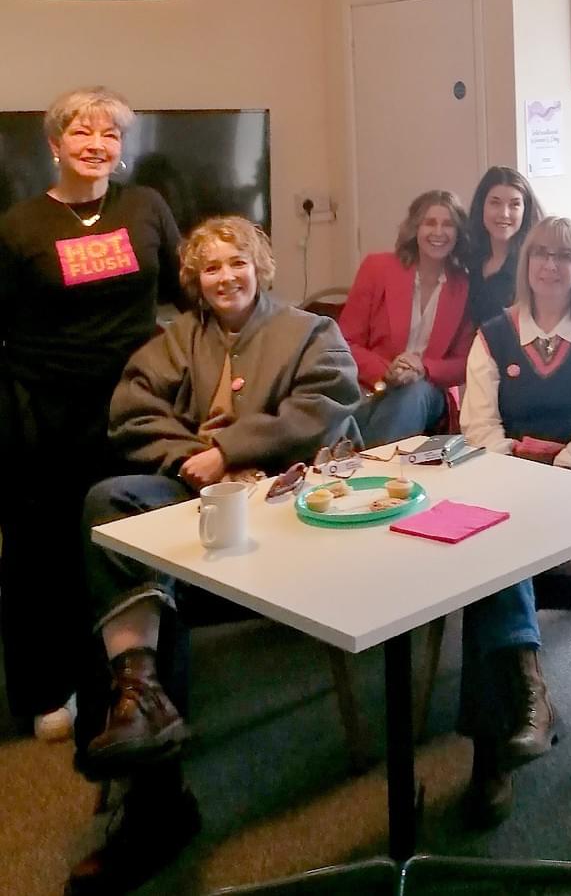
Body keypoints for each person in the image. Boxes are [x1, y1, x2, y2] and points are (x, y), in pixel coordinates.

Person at [66, 216, 360, 894]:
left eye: (237, 262)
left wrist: (233, 449)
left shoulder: (311, 332)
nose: (225, 277)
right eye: (210, 268)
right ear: (194, 281)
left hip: (281, 503)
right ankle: (142, 700)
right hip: (195, 494)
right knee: (110, 512)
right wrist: (198, 461)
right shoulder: (175, 342)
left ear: (260, 266)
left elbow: (324, 406)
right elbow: (133, 412)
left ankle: (153, 804)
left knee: (144, 581)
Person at [0, 86, 182, 740]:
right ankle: (46, 690)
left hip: (135, 406)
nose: (96, 145)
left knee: (125, 544)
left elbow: (184, 290)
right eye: (82, 132)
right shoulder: (19, 226)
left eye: (109, 134)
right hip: (44, 413)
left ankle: (132, 681)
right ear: (55, 144)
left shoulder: (145, 207)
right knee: (42, 553)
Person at [459, 216, 571, 824]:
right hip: (507, 481)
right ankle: (526, 701)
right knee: (493, 551)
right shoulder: (493, 335)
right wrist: (517, 472)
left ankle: (492, 760)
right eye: (541, 255)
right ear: (526, 265)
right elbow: (478, 426)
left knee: (490, 557)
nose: (551, 266)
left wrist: (559, 473)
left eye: (565, 256)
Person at [339, 189, 474, 447]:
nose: (438, 232)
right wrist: (388, 370)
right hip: (373, 384)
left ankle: (378, 466)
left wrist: (423, 368)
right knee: (350, 409)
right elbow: (344, 342)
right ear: (415, 228)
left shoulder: (465, 286)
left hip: (428, 390)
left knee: (412, 394)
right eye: (430, 223)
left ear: (458, 233)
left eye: (448, 224)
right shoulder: (377, 268)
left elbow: (465, 361)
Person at [464, 165, 544, 327]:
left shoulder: (534, 266)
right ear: (482, 207)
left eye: (514, 205)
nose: (504, 213)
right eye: (495, 203)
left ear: (525, 211)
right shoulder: (470, 259)